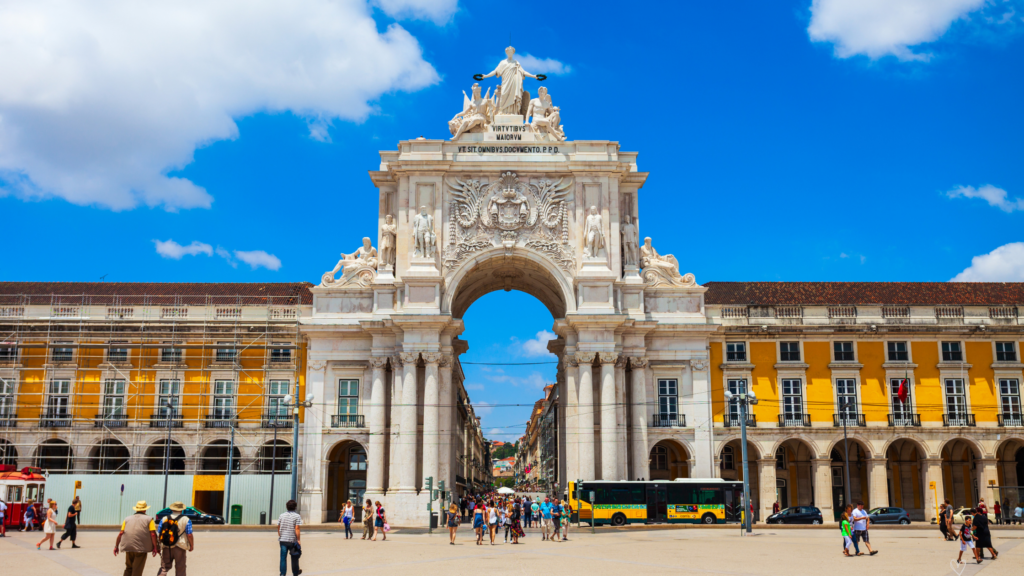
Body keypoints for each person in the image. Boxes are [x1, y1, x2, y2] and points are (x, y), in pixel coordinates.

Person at [114, 501, 160, 576]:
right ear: (145, 509)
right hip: (141, 548)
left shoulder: (127, 519)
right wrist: (155, 547)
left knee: (129, 568)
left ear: (136, 509)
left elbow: (120, 533)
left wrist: (116, 546)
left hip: (128, 547)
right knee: (137, 569)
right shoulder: (149, 519)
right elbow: (153, 534)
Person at [157, 502, 193, 576]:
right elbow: (189, 534)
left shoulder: (164, 518)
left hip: (167, 545)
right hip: (180, 546)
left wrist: (159, 545)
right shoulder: (186, 519)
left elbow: (159, 533)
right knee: (180, 568)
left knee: (164, 568)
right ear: (181, 510)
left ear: (172, 509)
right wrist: (191, 545)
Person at [277, 500, 301, 576]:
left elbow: (278, 526)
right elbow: (297, 528)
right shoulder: (297, 516)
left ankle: (282, 574)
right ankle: (295, 572)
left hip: (283, 540)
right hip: (292, 540)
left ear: (287, 507)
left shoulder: (282, 515)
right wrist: (299, 539)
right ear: (295, 507)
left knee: (283, 558)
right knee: (294, 557)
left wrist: (280, 535)